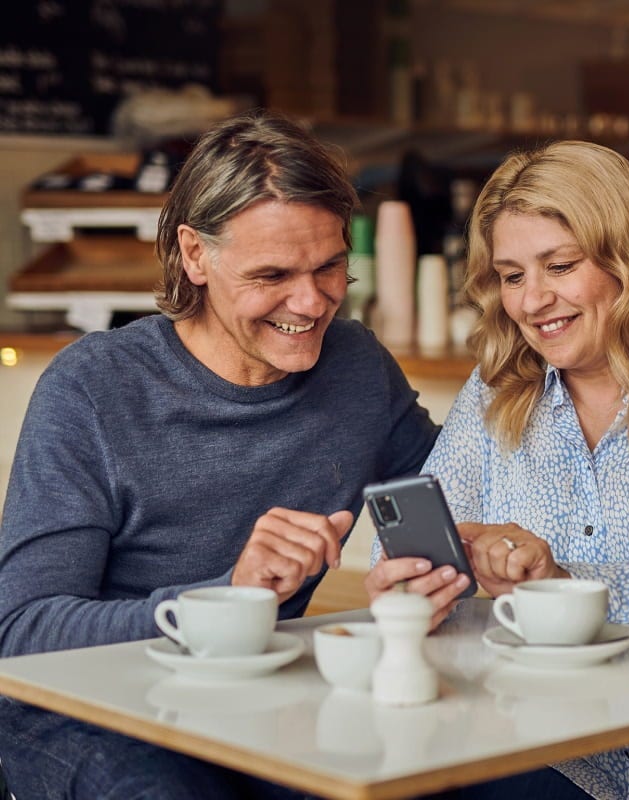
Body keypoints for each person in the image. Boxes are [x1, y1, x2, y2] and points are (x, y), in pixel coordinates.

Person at [0, 109, 439, 799]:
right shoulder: (93, 388)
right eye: (273, 274)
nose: (313, 300)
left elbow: (449, 499)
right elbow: (21, 634)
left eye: (330, 267)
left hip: (249, 700)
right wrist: (224, 602)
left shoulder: (355, 368)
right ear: (194, 255)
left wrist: (427, 572)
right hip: (79, 710)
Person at [366, 140, 629, 799]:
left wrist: (568, 585)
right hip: (539, 742)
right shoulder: (493, 396)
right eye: (512, 276)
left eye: (559, 266)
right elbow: (425, 553)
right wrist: (417, 590)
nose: (534, 299)